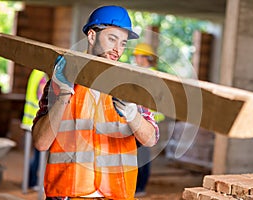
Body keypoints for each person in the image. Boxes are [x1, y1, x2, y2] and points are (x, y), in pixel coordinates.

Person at [32, 5, 159, 200]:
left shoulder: (132, 87)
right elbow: (41, 143)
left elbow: (150, 139)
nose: (118, 49)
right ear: (92, 36)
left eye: (123, 43)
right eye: (112, 39)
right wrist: (64, 95)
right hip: (66, 193)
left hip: (116, 194)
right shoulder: (61, 83)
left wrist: (133, 114)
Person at [132, 43, 165, 197]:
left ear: (145, 57)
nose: (135, 59)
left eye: (137, 55)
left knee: (142, 156)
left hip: (147, 121)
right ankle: (139, 186)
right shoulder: (145, 74)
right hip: (144, 119)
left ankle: (140, 187)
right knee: (141, 154)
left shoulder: (150, 75)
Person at [20, 69, 48, 190]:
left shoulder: (35, 73)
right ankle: (32, 181)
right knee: (38, 154)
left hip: (29, 118)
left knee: (35, 154)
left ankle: (30, 181)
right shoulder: (42, 75)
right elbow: (42, 95)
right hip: (36, 119)